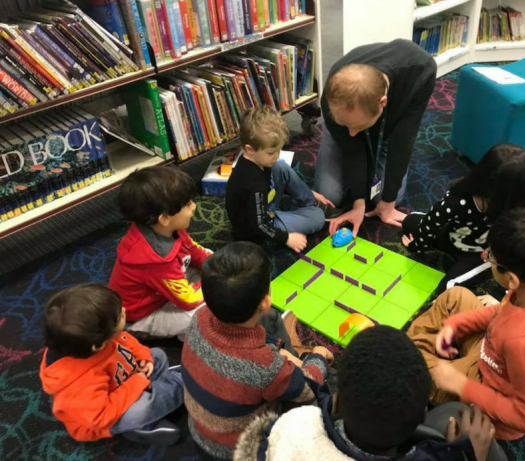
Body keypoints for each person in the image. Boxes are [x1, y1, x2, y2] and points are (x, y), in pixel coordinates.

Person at [408, 208, 525, 440]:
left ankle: (413, 363)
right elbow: (501, 312)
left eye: (490, 256)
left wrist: (461, 385)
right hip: (492, 354)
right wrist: (455, 325)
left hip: (486, 392)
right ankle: (425, 356)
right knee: (456, 295)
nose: (485, 257)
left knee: (408, 364)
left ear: (512, 279)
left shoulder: (524, 345)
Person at [234, 326, 507, 461]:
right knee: (459, 417)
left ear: (338, 400)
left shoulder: (294, 423)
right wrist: (466, 454)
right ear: (418, 428)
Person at [182, 241, 334, 460]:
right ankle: (297, 355)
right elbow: (310, 386)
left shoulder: (199, 317)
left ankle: (287, 352)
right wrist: (318, 355)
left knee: (271, 319)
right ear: (265, 300)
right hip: (241, 449)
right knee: (316, 400)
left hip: (198, 427)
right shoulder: (266, 368)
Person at [316, 39, 437, 236]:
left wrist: (387, 204)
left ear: (383, 103)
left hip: (391, 128)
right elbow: (351, 145)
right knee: (330, 195)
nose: (353, 134)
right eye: (350, 126)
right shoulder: (333, 94)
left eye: (358, 126)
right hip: (340, 123)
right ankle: (351, 126)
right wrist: (358, 204)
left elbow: (403, 142)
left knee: (388, 198)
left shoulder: (421, 69)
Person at [39, 284, 184, 445]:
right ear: (99, 345)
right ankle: (143, 424)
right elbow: (102, 417)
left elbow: (124, 339)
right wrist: (137, 381)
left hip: (126, 379)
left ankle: (164, 388)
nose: (124, 311)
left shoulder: (89, 338)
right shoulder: (78, 386)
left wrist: (142, 357)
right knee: (139, 411)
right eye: (119, 317)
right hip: (109, 414)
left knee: (156, 355)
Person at [402, 144, 525, 294]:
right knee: (409, 221)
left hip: (483, 254)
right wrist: (417, 245)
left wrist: (501, 294)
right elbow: (431, 223)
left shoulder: (515, 211)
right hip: (453, 237)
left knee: (449, 287)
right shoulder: (457, 199)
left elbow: (517, 251)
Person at [108, 166, 213, 339]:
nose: (194, 207)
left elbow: (194, 251)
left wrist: (218, 268)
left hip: (164, 288)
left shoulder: (167, 227)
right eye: (187, 204)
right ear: (164, 218)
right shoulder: (155, 260)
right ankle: (188, 335)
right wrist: (220, 284)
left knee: (212, 257)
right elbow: (189, 301)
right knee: (203, 311)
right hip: (143, 315)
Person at [226, 105, 332, 253]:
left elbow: (275, 169)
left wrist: (310, 194)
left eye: (278, 150)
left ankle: (309, 200)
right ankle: (302, 210)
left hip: (266, 206)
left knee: (280, 167)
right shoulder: (254, 183)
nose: (276, 156)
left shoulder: (256, 160)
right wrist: (287, 238)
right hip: (259, 228)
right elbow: (260, 225)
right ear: (250, 150)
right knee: (318, 217)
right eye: (271, 153)